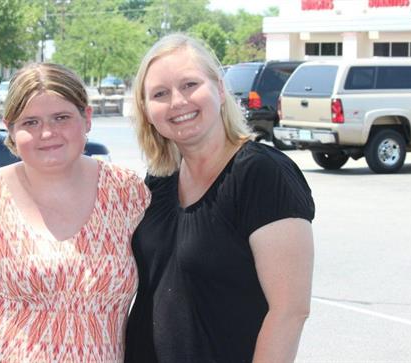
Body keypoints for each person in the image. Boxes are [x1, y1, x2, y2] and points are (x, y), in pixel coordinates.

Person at [0, 63, 150, 362]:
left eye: (61, 117)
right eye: (31, 122)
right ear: (10, 128)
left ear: (87, 118)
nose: (47, 133)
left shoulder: (128, 194)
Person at [125, 34, 315, 363]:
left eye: (189, 85)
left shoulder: (262, 174)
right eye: (160, 93)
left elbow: (289, 312)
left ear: (220, 89)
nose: (177, 102)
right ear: (146, 109)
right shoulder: (159, 181)